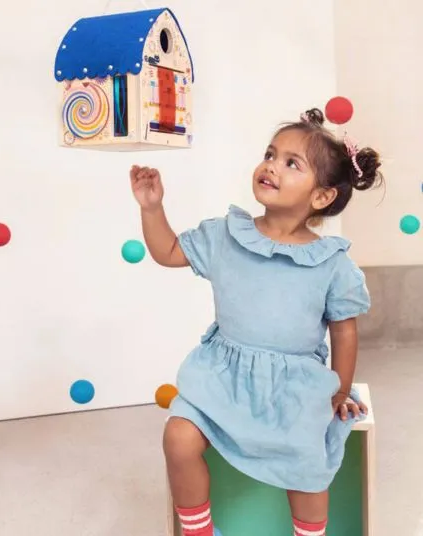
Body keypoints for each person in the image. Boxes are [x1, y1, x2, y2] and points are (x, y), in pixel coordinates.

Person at [130, 107, 383, 536]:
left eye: (291, 163)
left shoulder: (331, 264)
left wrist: (340, 391)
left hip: (292, 387)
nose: (271, 165)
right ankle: (199, 530)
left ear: (321, 197)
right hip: (222, 378)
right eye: (270, 154)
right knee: (178, 437)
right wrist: (152, 208)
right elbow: (168, 252)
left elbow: (344, 330)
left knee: (308, 464)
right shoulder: (226, 235)